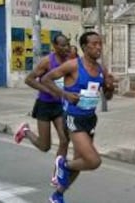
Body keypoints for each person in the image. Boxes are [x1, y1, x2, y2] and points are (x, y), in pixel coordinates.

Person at [42, 31, 114, 203]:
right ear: (84, 47)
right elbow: (46, 79)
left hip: (90, 119)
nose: (98, 47)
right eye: (94, 44)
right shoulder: (73, 65)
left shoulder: (101, 69)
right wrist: (64, 94)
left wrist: (110, 88)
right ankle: (63, 165)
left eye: (100, 43)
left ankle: (57, 195)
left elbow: (108, 96)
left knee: (80, 162)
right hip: (73, 118)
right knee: (93, 161)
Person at [13, 33, 70, 186]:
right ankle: (25, 131)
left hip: (59, 106)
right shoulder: (47, 62)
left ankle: (57, 176)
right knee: (45, 146)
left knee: (64, 140)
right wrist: (47, 89)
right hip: (44, 105)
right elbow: (29, 79)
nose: (66, 48)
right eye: (63, 45)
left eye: (67, 44)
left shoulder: (70, 61)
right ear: (55, 47)